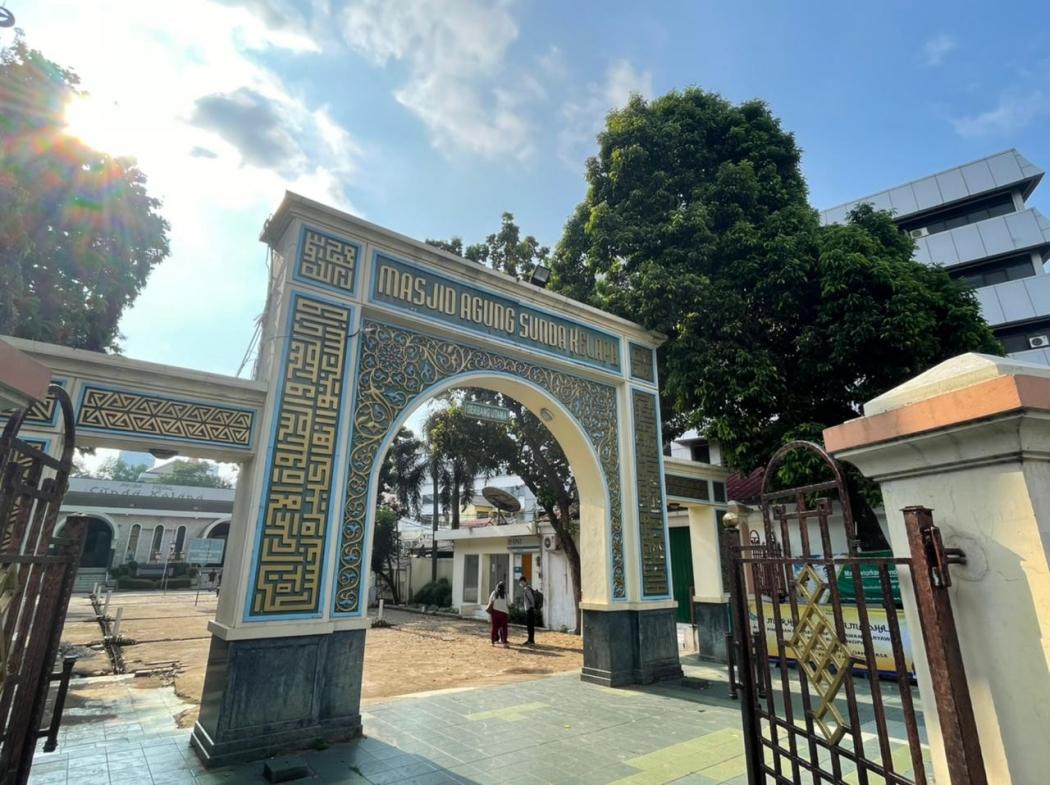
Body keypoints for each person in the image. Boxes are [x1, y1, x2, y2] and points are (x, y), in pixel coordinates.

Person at [486, 581, 509, 647]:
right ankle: (504, 643)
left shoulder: (494, 593)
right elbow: (509, 603)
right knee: (504, 628)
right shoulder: (506, 594)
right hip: (504, 613)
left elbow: (490, 601)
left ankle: (493, 642)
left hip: (495, 613)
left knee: (494, 628)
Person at [519, 576, 536, 646]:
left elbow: (532, 599)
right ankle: (530, 640)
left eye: (521, 582)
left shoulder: (527, 589)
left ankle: (530, 640)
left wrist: (532, 606)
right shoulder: (528, 588)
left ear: (524, 581)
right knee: (530, 626)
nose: (520, 584)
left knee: (530, 626)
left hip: (530, 609)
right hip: (530, 609)